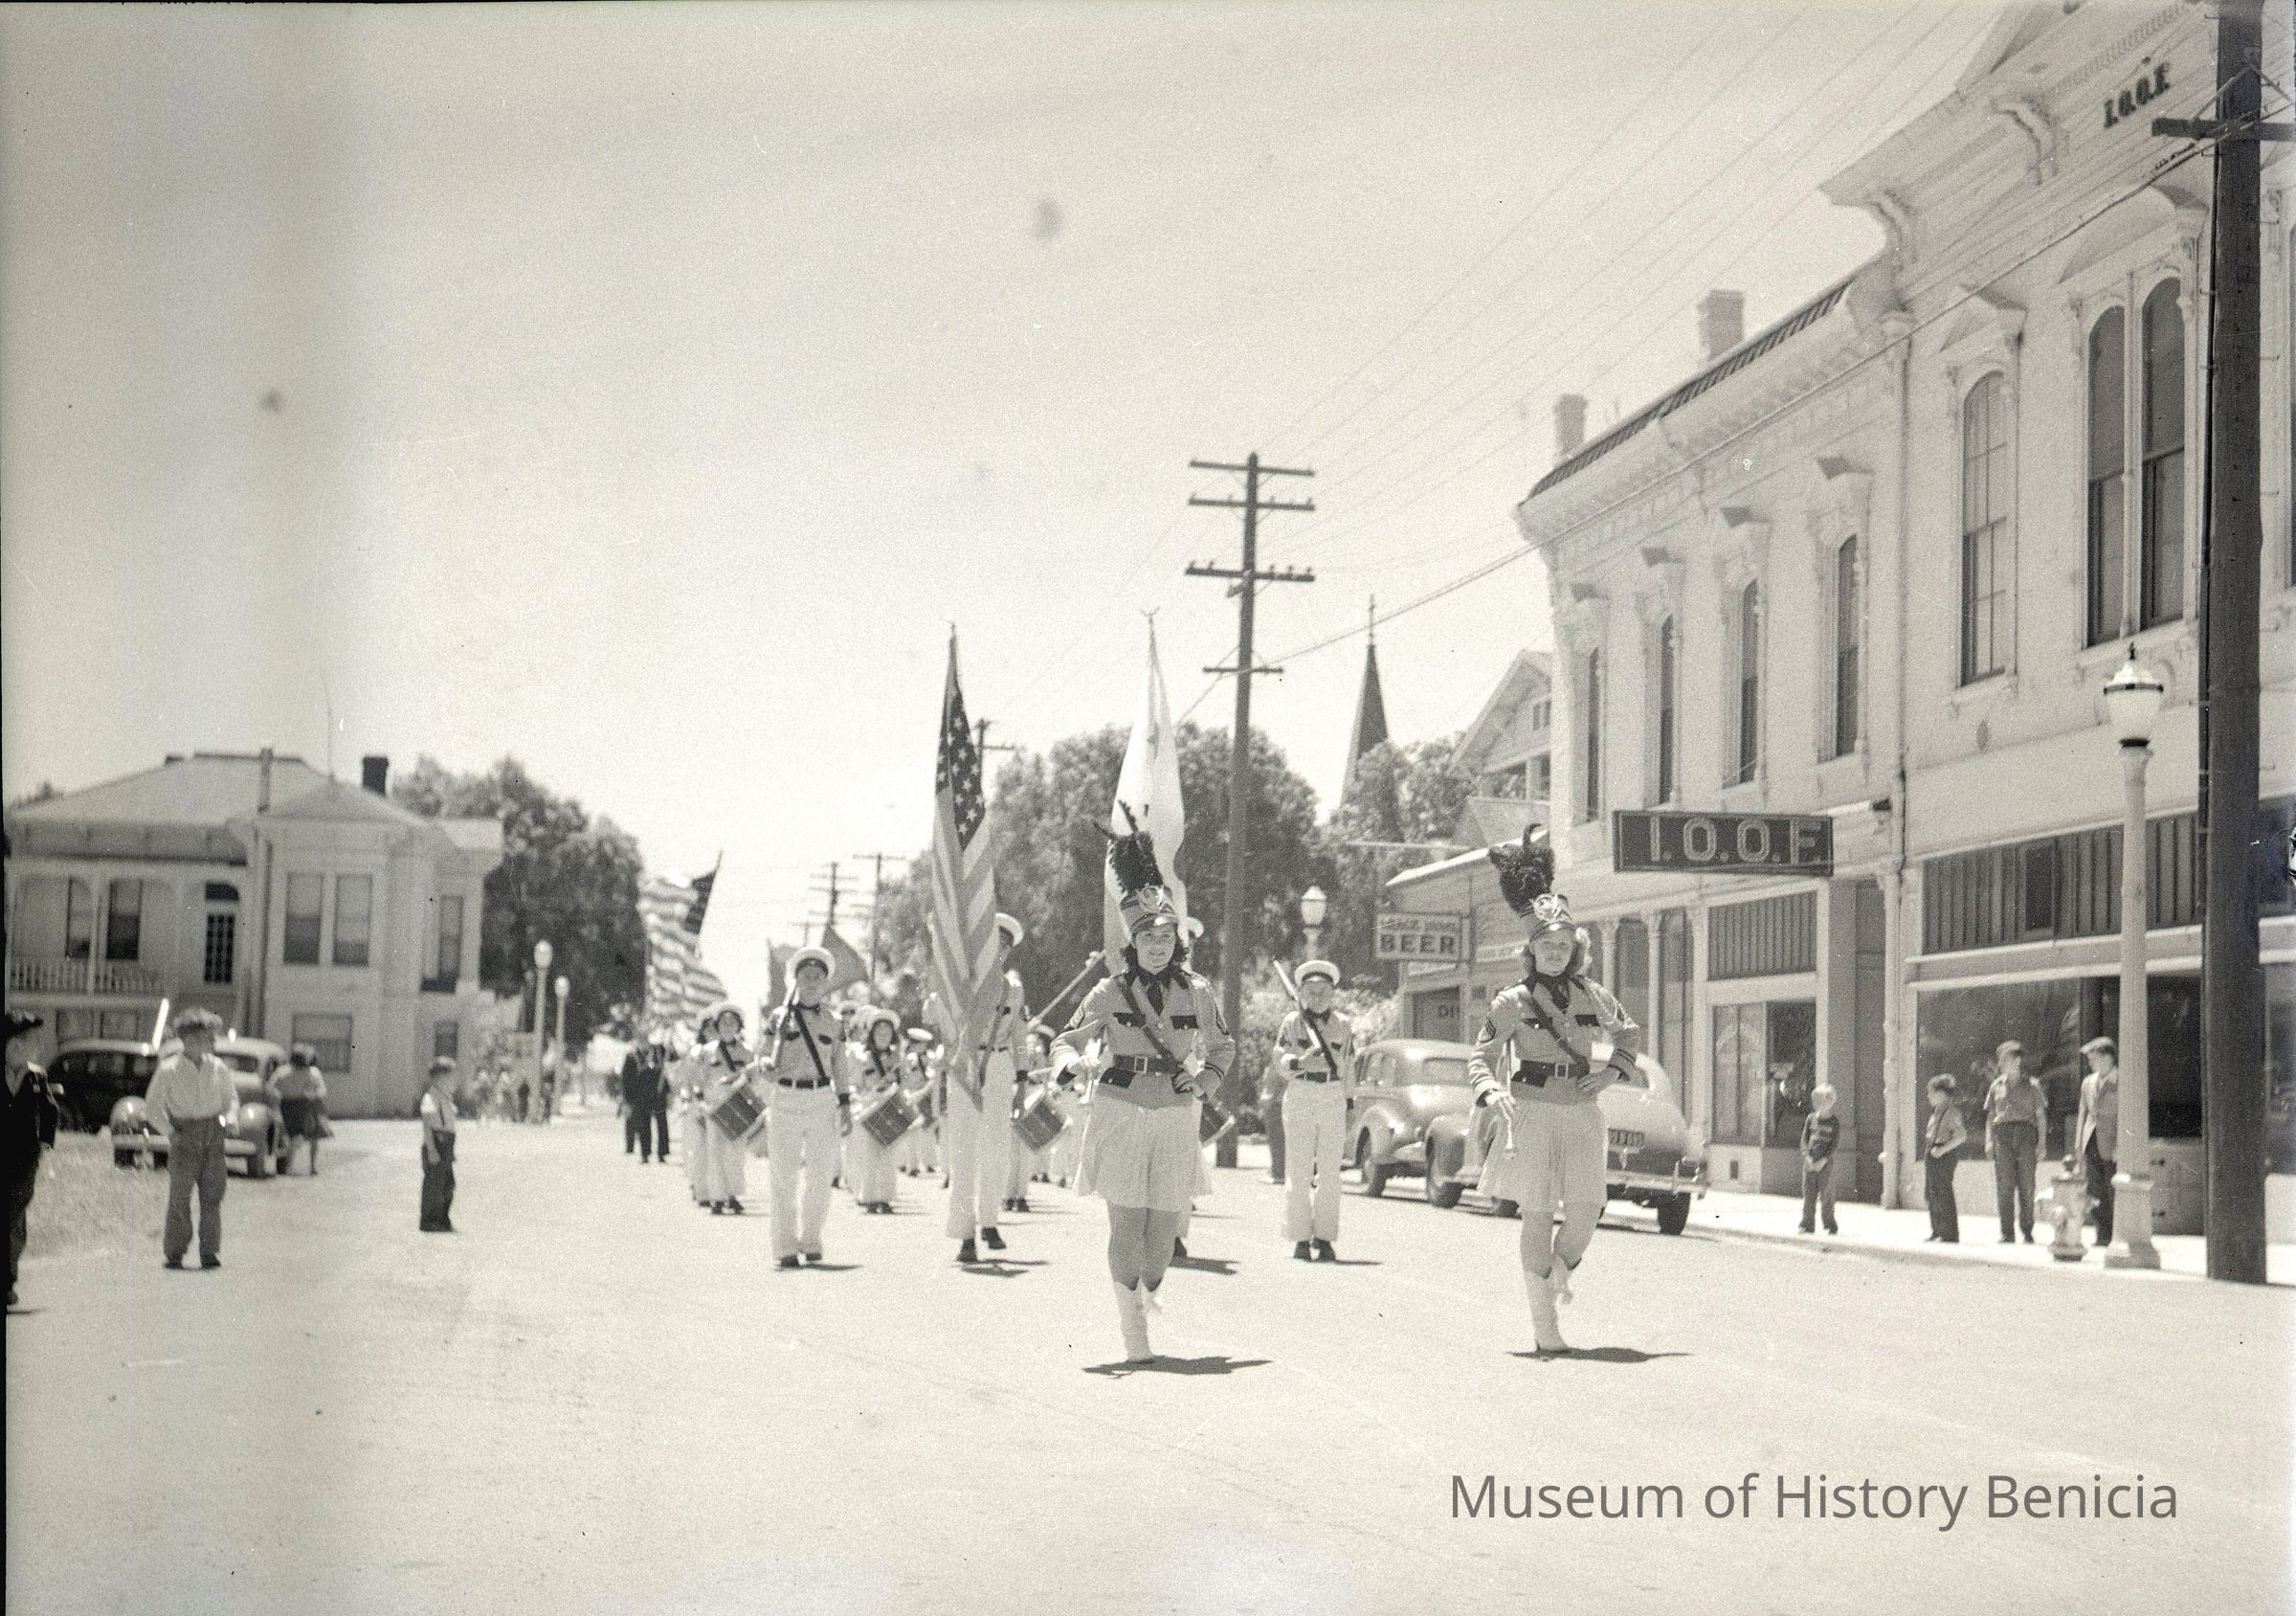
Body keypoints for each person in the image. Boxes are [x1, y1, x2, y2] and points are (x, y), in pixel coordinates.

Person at [1052, 824, 1234, 1363]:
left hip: (1176, 1113)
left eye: (1166, 940)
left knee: (1161, 1241)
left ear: (1177, 942)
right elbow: (1065, 1039)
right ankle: (1133, 1330)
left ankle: (1144, 1297)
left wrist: (1205, 1081)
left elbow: (1223, 1046)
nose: (1157, 948)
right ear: (1133, 943)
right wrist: (1071, 1063)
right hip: (1121, 1109)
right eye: (1148, 940)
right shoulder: (1109, 991)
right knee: (1127, 1225)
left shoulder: (1197, 992)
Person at [1467, 829, 1640, 1357]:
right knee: (1538, 1215)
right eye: (1546, 945)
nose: (1555, 953)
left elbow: (1629, 1034)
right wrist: (1491, 1091)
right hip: (1532, 1112)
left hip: (1582, 1111)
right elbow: (1481, 1056)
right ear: (1531, 950)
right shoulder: (1512, 1001)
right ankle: (1546, 1328)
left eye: (1563, 946)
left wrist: (1611, 1074)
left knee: (1587, 1211)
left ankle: (1553, 1282)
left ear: (1575, 950)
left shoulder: (1593, 994)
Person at [928, 914, 1027, 1265]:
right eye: (992, 944)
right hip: (967, 1063)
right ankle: (965, 1233)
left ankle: (989, 1222)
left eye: (1004, 947)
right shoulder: (959, 985)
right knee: (963, 1151)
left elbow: (1019, 1036)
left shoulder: (1013, 990)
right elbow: (936, 1018)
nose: (997, 952)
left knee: (996, 1148)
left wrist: (1022, 1080)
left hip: (999, 1065)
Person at [757, 949, 854, 1267]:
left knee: (821, 1175)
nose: (811, 982)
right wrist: (766, 1066)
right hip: (785, 1098)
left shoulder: (834, 1022)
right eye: (805, 976)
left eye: (817, 977)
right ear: (795, 979)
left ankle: (811, 1238)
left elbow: (840, 1066)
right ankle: (785, 1246)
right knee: (783, 1175)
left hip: (821, 1099)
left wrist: (845, 1104)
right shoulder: (778, 1017)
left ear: (825, 983)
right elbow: (763, 1056)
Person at [1275, 960, 1355, 1262]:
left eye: (1324, 991)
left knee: (1330, 1172)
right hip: (1301, 1092)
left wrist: (1349, 1103)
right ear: (1301, 993)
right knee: (1298, 1170)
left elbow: (1350, 1066)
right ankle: (1299, 1238)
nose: (1318, 997)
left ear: (1333, 993)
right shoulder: (1292, 1023)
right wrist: (1301, 1062)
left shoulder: (1343, 1024)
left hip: (1332, 1094)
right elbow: (1279, 1059)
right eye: (1311, 990)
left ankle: (1324, 1237)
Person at [145, 1007, 236, 1270]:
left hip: (213, 1136)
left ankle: (210, 1252)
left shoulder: (218, 1067)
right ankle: (175, 1252)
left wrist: (230, 1119)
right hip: (183, 1136)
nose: (213, 1041)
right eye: (209, 1037)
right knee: (179, 1197)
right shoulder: (169, 1069)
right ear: (190, 1039)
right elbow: (152, 1108)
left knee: (212, 1196)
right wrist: (171, 1132)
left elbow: (231, 1099)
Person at [5, 1010, 62, 1308]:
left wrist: (45, 1144)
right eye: (30, 1041)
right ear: (11, 1045)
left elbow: (50, 1111)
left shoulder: (36, 1077)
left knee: (14, 1219)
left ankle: (7, 1281)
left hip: (25, 1160)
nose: (37, 1047)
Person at [692, 1004, 754, 1215]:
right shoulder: (707, 1051)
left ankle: (732, 1196)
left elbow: (754, 1080)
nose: (728, 1026)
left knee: (735, 1154)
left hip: (737, 1106)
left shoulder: (747, 1052)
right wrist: (700, 1102)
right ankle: (716, 1198)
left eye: (732, 1022)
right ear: (717, 1026)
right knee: (715, 1152)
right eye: (724, 1023)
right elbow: (698, 1080)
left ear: (739, 1026)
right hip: (714, 1106)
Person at [846, 1008, 906, 1214]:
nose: (883, 1035)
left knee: (888, 1155)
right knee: (869, 1155)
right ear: (871, 1033)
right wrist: (863, 1096)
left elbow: (904, 1083)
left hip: (890, 1107)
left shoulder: (898, 1058)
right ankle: (869, 1197)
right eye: (879, 1031)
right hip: (868, 1107)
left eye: (887, 1031)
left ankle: (885, 1198)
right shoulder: (861, 1057)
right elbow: (854, 1084)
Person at [1984, 1040, 2043, 1244]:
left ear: (2017, 1061)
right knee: (2005, 1185)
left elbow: (2041, 1116)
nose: (2001, 1064)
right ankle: (2006, 1232)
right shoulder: (1996, 1086)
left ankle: (2027, 1230)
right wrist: (1988, 1141)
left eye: (2005, 1059)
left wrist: (2042, 1143)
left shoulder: (2032, 1085)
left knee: (2027, 1185)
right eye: (2000, 1060)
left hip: (2026, 1134)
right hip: (2003, 1136)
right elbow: (1991, 1116)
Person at [2074, 1035, 2120, 1246]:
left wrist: (2121, 1144)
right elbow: (2083, 1114)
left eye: (2094, 1058)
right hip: (2091, 1141)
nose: (2090, 1063)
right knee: (2095, 1189)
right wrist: (2078, 1143)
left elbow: (2126, 1115)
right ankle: (2102, 1234)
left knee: (2113, 1190)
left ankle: (2115, 1234)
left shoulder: (2121, 1081)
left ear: (2107, 1057)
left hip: (2112, 1144)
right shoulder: (2088, 1083)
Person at [1924, 1075, 1967, 1243]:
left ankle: (1949, 1234)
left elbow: (1961, 1136)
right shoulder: (1936, 1113)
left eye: (1931, 1092)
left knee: (1943, 1192)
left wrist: (1942, 1150)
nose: (1928, 1096)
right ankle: (1937, 1230)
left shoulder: (1952, 1113)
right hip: (1932, 1152)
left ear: (1941, 1093)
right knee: (1931, 1193)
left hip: (1943, 1154)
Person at [273, 1045, 328, 1176]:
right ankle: (302, 1166)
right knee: (302, 1136)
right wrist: (313, 1095)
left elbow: (271, 1087)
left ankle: (293, 1166)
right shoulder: (310, 1072)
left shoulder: (283, 1071)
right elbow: (322, 1091)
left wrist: (279, 1095)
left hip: (292, 1104)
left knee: (295, 1136)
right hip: (301, 1105)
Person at [419, 1057, 460, 1231]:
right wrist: (431, 1149)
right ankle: (430, 1221)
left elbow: (450, 1126)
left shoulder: (446, 1098)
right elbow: (428, 1125)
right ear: (439, 1078)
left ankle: (443, 1218)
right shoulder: (431, 1097)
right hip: (436, 1143)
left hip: (446, 1144)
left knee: (448, 1183)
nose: (453, 1082)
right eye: (450, 1078)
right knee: (434, 1185)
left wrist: (451, 1151)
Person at [1797, 1084, 1840, 1236]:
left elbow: (1834, 1144)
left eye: (1820, 1101)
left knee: (1826, 1194)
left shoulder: (1834, 1122)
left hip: (1825, 1164)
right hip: (1810, 1163)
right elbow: (1804, 1140)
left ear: (1830, 1102)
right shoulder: (1811, 1119)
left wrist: (1824, 1160)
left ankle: (1830, 1224)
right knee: (1809, 1194)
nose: (1816, 1105)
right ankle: (1807, 1224)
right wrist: (1807, 1157)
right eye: (1815, 1101)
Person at [620, 1041, 665, 1163]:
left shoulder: (659, 1051)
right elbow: (626, 1079)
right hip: (640, 1097)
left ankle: (662, 1153)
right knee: (643, 1126)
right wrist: (628, 1098)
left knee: (662, 1124)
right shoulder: (632, 1056)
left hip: (657, 1094)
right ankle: (645, 1153)